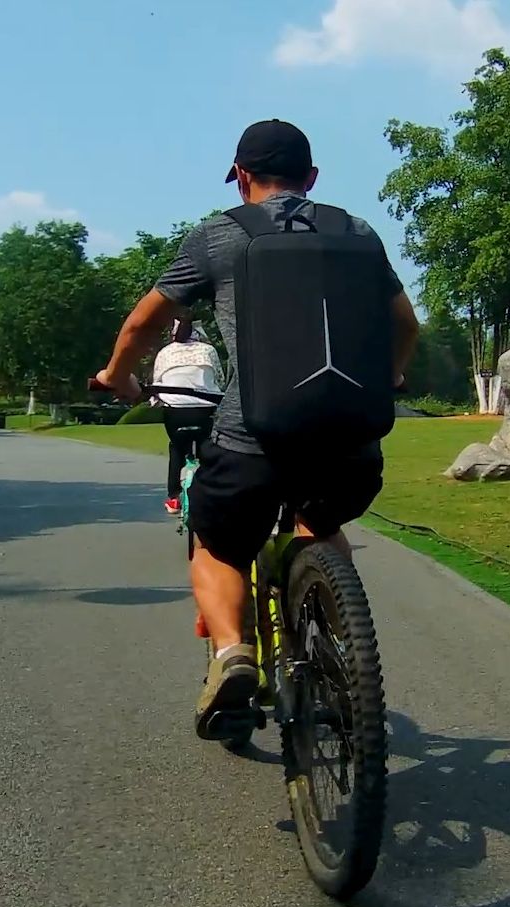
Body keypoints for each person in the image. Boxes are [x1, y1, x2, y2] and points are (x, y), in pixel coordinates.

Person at [94, 119, 421, 739]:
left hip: (253, 441)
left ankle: (231, 655)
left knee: (214, 541)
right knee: (320, 523)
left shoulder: (220, 236)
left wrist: (116, 377)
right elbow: (405, 323)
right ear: (313, 178)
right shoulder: (357, 231)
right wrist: (392, 378)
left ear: (241, 176)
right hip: (351, 445)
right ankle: (340, 645)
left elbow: (142, 324)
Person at [150, 315, 221, 515]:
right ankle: (214, 493)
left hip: (175, 412)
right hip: (204, 410)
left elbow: (157, 382)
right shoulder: (208, 350)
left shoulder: (165, 353)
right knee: (209, 447)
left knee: (177, 448)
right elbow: (220, 380)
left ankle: (173, 497)